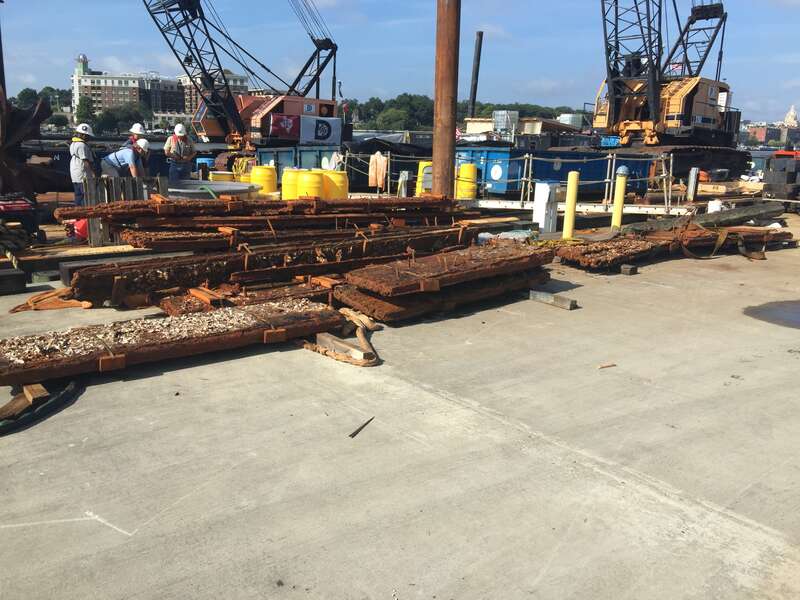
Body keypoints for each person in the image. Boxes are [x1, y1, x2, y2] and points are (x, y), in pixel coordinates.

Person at [69, 123, 96, 207]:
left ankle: (78, 214)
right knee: (86, 195)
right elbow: (85, 161)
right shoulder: (81, 145)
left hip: (75, 172)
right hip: (82, 173)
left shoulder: (73, 143)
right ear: (83, 135)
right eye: (88, 136)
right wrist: (93, 173)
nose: (89, 138)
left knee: (78, 195)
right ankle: (85, 214)